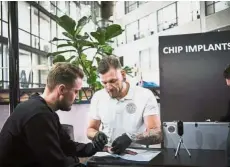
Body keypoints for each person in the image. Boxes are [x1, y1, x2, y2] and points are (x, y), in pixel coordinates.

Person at [0, 62, 107, 167]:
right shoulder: (38, 115)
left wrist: (94, 147)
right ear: (61, 89)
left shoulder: (42, 109)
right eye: (75, 91)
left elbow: (66, 145)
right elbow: (56, 162)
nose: (77, 97)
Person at [87, 55, 162, 155]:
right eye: (104, 83)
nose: (108, 87)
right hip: (108, 154)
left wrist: (131, 137)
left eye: (113, 81)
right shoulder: (98, 97)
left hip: (136, 154)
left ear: (123, 75)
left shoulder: (144, 95)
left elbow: (157, 133)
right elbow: (90, 129)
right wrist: (96, 135)